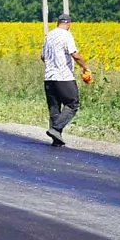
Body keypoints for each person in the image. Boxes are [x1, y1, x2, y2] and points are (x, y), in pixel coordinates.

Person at [40, 13, 90, 147]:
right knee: (73, 103)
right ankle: (56, 129)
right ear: (69, 24)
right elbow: (75, 55)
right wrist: (85, 67)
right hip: (63, 77)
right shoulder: (66, 35)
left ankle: (56, 140)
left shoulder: (49, 36)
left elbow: (43, 57)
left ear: (57, 23)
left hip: (49, 77)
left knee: (54, 107)